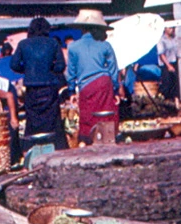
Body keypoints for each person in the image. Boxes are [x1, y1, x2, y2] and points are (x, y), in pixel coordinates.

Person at [11, 17, 69, 151]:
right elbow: (60, 66)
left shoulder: (23, 44)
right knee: (53, 122)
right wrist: (48, 70)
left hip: (31, 89)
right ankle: (57, 150)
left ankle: (32, 151)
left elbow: (13, 65)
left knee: (32, 121)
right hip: (49, 88)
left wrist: (27, 70)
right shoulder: (53, 43)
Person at [66, 9, 120, 144]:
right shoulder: (105, 45)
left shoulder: (73, 47)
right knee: (106, 115)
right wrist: (116, 90)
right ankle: (108, 141)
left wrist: (71, 91)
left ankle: (87, 142)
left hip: (86, 86)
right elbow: (113, 70)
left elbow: (71, 72)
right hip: (104, 83)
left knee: (88, 118)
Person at [158, 26, 179, 103]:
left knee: (175, 85)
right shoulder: (161, 40)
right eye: (170, 28)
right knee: (167, 84)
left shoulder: (174, 38)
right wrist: (168, 65)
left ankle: (176, 103)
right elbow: (161, 54)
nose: (172, 29)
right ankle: (167, 103)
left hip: (174, 62)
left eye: (172, 28)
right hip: (166, 65)